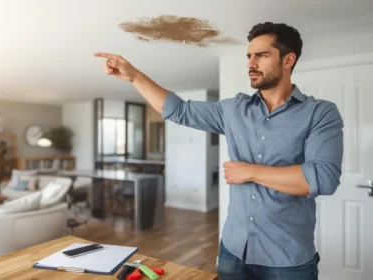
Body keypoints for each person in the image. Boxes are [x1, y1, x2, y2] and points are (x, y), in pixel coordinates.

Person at [94, 22, 344, 280]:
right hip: (234, 251)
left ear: (288, 60)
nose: (250, 63)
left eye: (261, 55)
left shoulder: (320, 113)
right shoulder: (233, 109)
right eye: (249, 55)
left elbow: (323, 178)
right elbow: (179, 110)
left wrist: (250, 172)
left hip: (287, 258)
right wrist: (134, 76)